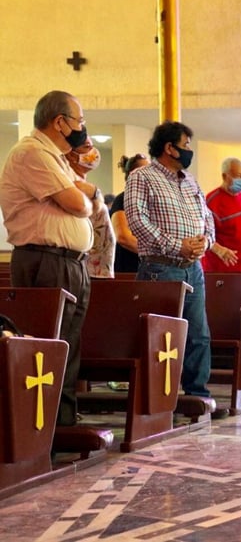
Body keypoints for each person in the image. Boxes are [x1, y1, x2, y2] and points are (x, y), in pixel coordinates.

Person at [0, 90, 96, 426]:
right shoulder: (32, 153)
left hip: (69, 263)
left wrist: (83, 185)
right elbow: (79, 204)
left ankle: (61, 425)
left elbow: (84, 198)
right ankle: (42, 430)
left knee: (67, 347)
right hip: (46, 261)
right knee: (48, 349)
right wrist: (88, 195)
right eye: (80, 121)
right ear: (60, 122)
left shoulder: (55, 156)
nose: (83, 128)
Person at [124, 121, 219, 410]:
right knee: (161, 339)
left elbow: (208, 218)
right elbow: (137, 220)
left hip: (194, 269)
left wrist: (205, 242)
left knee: (198, 334)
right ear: (170, 148)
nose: (189, 150)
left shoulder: (191, 181)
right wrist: (176, 245)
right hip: (160, 267)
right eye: (186, 145)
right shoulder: (143, 177)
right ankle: (156, 399)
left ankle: (197, 395)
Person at [66, 136, 116, 279]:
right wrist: (95, 193)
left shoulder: (83, 183)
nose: (93, 152)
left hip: (95, 271)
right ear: (71, 154)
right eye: (87, 147)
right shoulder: (71, 183)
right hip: (85, 268)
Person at [202, 157, 241, 272]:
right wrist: (220, 250)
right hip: (222, 271)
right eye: (237, 175)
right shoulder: (212, 201)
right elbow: (202, 235)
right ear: (225, 176)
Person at [111, 153, 150, 273]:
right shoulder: (123, 199)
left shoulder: (151, 201)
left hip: (149, 269)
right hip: (128, 268)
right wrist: (155, 254)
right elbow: (123, 237)